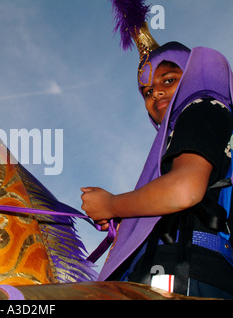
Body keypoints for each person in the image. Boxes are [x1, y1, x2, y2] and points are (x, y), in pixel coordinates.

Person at [81, 40, 233, 298]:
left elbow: (185, 189)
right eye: (147, 91)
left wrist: (111, 205)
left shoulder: (202, 107)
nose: (156, 94)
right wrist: (129, 216)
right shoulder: (207, 123)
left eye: (168, 80)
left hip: (182, 274)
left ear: (194, 75)